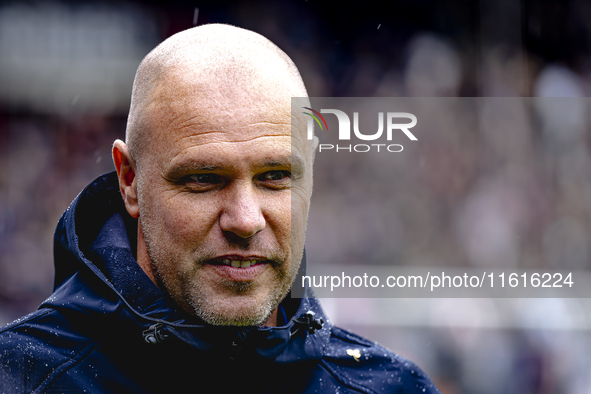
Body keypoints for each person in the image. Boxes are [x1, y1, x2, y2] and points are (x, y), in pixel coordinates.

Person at [0, 24, 441, 393]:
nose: (246, 220)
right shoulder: (18, 379)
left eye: (275, 176)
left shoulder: (392, 388)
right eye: (203, 179)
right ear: (130, 181)